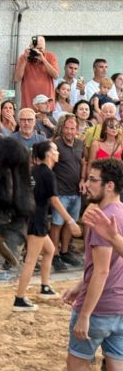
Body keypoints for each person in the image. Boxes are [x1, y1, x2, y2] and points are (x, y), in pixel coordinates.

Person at [62, 159, 123, 371]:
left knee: (77, 365)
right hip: (120, 307)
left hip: (99, 308)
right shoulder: (121, 212)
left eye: (92, 179)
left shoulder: (102, 219)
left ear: (109, 186)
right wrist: (80, 286)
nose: (87, 184)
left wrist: (85, 315)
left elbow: (103, 270)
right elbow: (114, 264)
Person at [13, 141, 81, 311]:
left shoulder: (34, 171)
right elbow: (54, 200)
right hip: (37, 220)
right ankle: (19, 299)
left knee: (50, 251)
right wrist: (71, 221)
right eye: (56, 150)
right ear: (49, 154)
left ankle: (44, 287)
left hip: (34, 218)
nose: (58, 153)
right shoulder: (47, 174)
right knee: (30, 261)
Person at [49, 114, 84, 272]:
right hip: (60, 191)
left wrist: (83, 179)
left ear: (76, 129)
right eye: (67, 128)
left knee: (70, 224)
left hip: (76, 191)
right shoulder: (55, 144)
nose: (70, 131)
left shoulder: (80, 144)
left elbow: (83, 163)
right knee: (57, 224)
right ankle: (54, 255)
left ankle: (64, 252)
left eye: (73, 128)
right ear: (62, 128)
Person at [14, 35, 59, 109]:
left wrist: (43, 60)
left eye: (41, 49)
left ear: (45, 48)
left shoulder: (50, 56)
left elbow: (56, 75)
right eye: (36, 49)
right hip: (28, 104)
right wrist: (25, 60)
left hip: (47, 105)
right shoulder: (23, 57)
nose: (38, 51)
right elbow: (16, 79)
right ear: (31, 47)